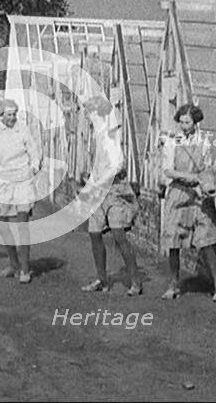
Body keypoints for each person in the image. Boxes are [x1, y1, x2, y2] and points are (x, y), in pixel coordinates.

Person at [161, 103, 216, 302]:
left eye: (187, 122)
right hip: (179, 192)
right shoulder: (172, 142)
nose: (183, 125)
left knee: (207, 239)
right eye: (181, 122)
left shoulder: (204, 142)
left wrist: (206, 181)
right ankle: (173, 285)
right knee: (173, 239)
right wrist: (189, 176)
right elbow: (168, 170)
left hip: (198, 194)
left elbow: (207, 167)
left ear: (195, 122)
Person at [78, 96, 142, 295]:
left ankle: (135, 281)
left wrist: (98, 181)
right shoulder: (94, 137)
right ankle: (102, 279)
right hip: (98, 192)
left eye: (93, 114)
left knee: (118, 233)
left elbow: (117, 164)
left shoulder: (112, 135)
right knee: (94, 233)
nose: (90, 118)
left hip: (114, 190)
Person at [0, 99, 41, 284]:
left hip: (22, 181)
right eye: (8, 115)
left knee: (22, 224)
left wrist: (34, 168)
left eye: (14, 114)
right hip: (3, 183)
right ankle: (13, 264)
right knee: (1, 224)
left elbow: (34, 151)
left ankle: (25, 269)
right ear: (0, 116)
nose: (12, 118)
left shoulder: (22, 129)